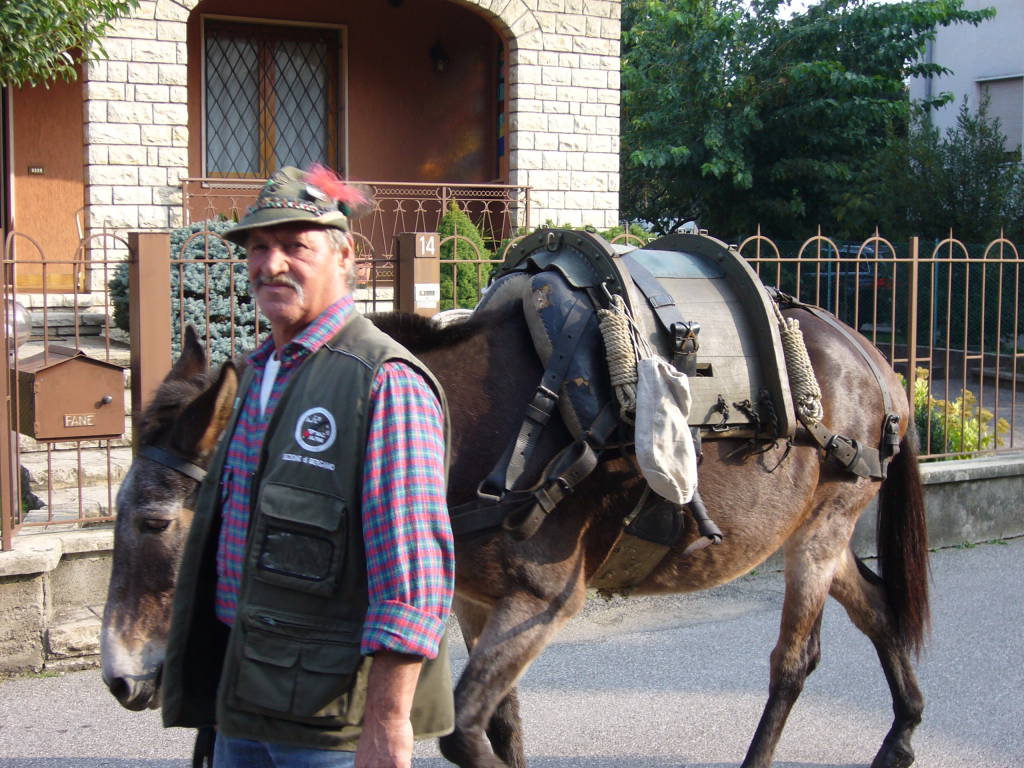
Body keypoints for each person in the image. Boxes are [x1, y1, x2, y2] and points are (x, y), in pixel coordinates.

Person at [161, 165, 455, 768]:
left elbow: (412, 568)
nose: (271, 264)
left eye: (296, 246)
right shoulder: (252, 373)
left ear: (344, 256)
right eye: (260, 248)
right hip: (243, 697)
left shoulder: (383, 381)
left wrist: (388, 725)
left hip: (327, 722)